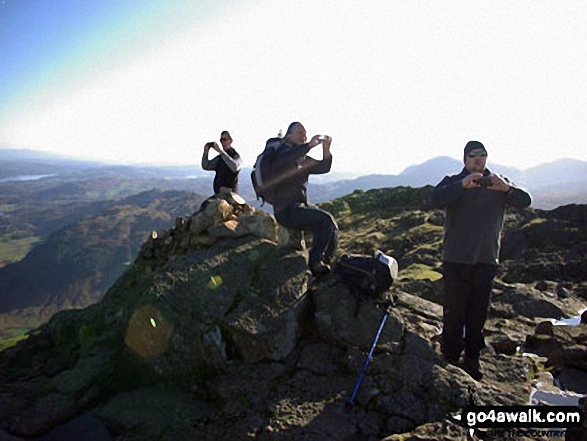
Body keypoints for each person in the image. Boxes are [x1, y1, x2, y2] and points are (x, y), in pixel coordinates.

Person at [431, 140, 531, 381]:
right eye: (473, 155)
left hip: (486, 260)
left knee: (478, 313)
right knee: (454, 312)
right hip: (456, 259)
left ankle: (473, 358)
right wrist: (461, 186)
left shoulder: (498, 182)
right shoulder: (454, 181)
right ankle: (451, 355)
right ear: (465, 158)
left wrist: (506, 190)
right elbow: (435, 198)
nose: (478, 159)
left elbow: (525, 200)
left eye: (482, 155)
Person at [271, 122, 338, 276]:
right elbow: (287, 158)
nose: (304, 136)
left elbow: (323, 167)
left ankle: (325, 264)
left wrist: (326, 149)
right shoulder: (281, 154)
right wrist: (308, 145)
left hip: (298, 207)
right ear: (289, 135)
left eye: (305, 133)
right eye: (299, 132)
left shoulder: (302, 158)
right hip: (285, 210)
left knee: (331, 226)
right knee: (325, 220)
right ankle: (315, 264)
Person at [200, 131, 243, 209]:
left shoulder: (235, 155)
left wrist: (221, 152)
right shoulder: (221, 158)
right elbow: (206, 166)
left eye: (224, 139)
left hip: (230, 195)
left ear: (230, 141)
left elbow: (235, 167)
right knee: (204, 206)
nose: (222, 142)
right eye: (221, 140)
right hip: (219, 194)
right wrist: (206, 152)